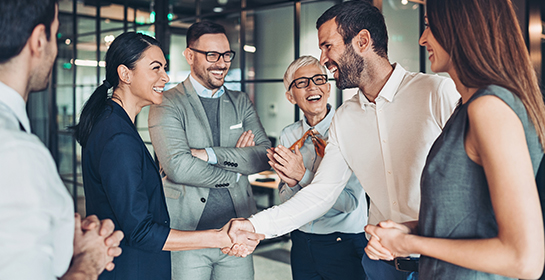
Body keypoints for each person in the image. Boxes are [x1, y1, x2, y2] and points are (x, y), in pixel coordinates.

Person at [228, 0, 460, 280]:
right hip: (381, 267)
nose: (324, 60)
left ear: (362, 41)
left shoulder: (437, 92)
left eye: (328, 46)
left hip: (445, 262)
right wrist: (255, 225)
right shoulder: (345, 118)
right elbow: (322, 193)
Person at [364, 0, 545, 280]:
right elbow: (472, 220)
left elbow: (524, 260)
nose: (422, 38)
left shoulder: (490, 107)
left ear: (460, 28)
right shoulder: (469, 106)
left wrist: (408, 242)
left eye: (430, 25)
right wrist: (406, 230)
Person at [73, 32, 264, 280]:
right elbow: (140, 231)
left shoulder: (112, 123)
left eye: (164, 68)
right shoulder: (117, 137)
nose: (165, 77)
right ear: (125, 74)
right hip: (132, 268)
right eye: (156, 68)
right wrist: (220, 236)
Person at [0, 0, 124, 279]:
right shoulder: (16, 153)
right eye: (56, 34)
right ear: (39, 40)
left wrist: (61, 241)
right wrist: (89, 261)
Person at [148, 20, 271, 280]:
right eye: (212, 55)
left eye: (226, 55)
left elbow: (263, 157)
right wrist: (237, 170)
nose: (222, 63)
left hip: (236, 233)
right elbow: (178, 167)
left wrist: (208, 154)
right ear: (190, 55)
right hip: (187, 234)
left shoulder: (240, 101)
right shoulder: (167, 103)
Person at [268, 55, 368, 279]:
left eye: (319, 79)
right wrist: (292, 182)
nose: (312, 86)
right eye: (302, 82)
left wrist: (302, 176)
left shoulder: (350, 129)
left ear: (328, 87)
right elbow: (285, 197)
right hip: (302, 240)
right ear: (290, 96)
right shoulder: (289, 135)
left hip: (344, 241)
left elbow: (349, 202)